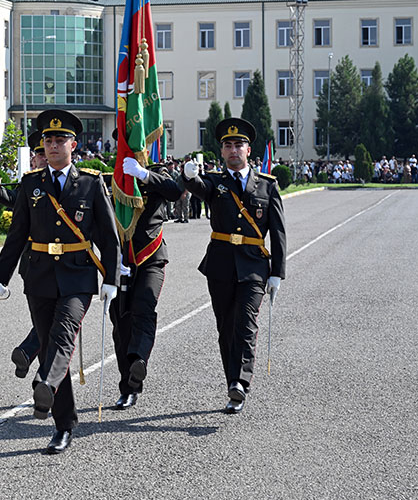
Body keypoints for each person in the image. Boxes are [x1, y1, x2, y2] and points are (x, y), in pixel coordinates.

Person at [0, 110, 119, 455]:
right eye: (48, 140)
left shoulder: (91, 183)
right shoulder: (31, 184)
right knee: (46, 345)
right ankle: (64, 425)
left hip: (78, 276)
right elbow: (17, 235)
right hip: (40, 275)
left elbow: (108, 236)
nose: (54, 145)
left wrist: (111, 278)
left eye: (61, 140)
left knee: (62, 335)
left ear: (74, 145)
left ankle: (45, 382)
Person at [182, 117, 286, 414]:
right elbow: (198, 187)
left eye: (238, 145)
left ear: (248, 150)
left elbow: (278, 232)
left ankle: (241, 381)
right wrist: (187, 175)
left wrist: (277, 273)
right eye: (227, 145)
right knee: (226, 327)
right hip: (221, 265)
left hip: (254, 266)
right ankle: (232, 382)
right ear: (222, 151)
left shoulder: (266, 185)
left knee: (246, 323)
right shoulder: (215, 182)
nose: (233, 150)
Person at [109, 131, 183, 410]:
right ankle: (127, 386)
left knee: (144, 306)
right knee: (121, 323)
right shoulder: (113, 176)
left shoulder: (156, 172)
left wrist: (143, 174)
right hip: (121, 260)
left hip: (151, 257)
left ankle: (138, 361)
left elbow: (174, 191)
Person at [0, 130, 46, 378]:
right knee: (45, 320)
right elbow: (15, 202)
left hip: (67, 263)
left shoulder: (72, 182)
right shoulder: (29, 184)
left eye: (45, 152)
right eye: (39, 154)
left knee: (59, 320)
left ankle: (33, 359)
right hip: (33, 262)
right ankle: (37, 364)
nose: (42, 158)